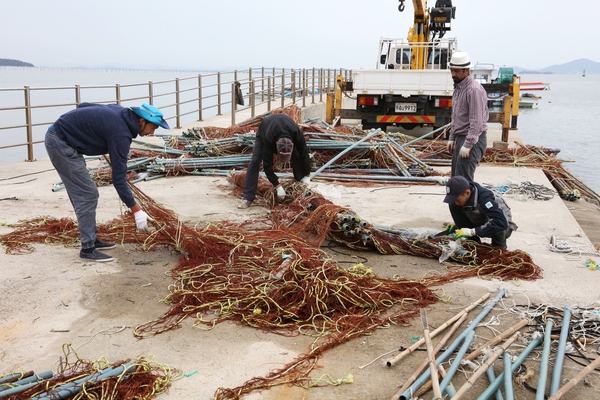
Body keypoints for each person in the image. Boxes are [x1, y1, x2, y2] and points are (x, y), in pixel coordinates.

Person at [45, 102, 170, 262]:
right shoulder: (121, 134)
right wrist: (137, 211)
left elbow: (83, 106)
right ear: (141, 121)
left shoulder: (121, 112)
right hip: (60, 143)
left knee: (84, 193)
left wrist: (93, 133)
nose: (152, 132)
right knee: (88, 194)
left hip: (65, 139)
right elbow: (118, 180)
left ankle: (91, 238)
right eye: (152, 127)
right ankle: (88, 249)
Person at [238, 113, 311, 208]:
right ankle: (248, 198)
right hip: (265, 129)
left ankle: (301, 183)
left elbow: (304, 154)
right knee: (255, 160)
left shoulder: (296, 133)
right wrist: (277, 186)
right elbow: (267, 165)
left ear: (292, 144)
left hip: (285, 125)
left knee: (297, 155)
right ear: (276, 145)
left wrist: (307, 175)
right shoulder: (269, 139)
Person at [447, 51, 489, 182]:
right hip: (461, 137)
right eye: (452, 70)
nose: (453, 74)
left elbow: (476, 122)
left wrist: (468, 144)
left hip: (473, 139)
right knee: (456, 179)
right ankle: (456, 203)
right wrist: (452, 137)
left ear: (467, 70)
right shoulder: (459, 88)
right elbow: (457, 117)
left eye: (457, 71)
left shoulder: (473, 90)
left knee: (463, 182)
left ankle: (469, 203)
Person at [443, 175, 517, 249]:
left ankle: (499, 247)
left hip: (503, 225)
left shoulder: (485, 198)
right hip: (481, 220)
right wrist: (458, 223)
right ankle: (473, 243)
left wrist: (472, 232)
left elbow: (501, 222)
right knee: (452, 204)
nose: (456, 203)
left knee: (497, 223)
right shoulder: (458, 201)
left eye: (457, 199)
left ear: (467, 193)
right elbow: (458, 205)